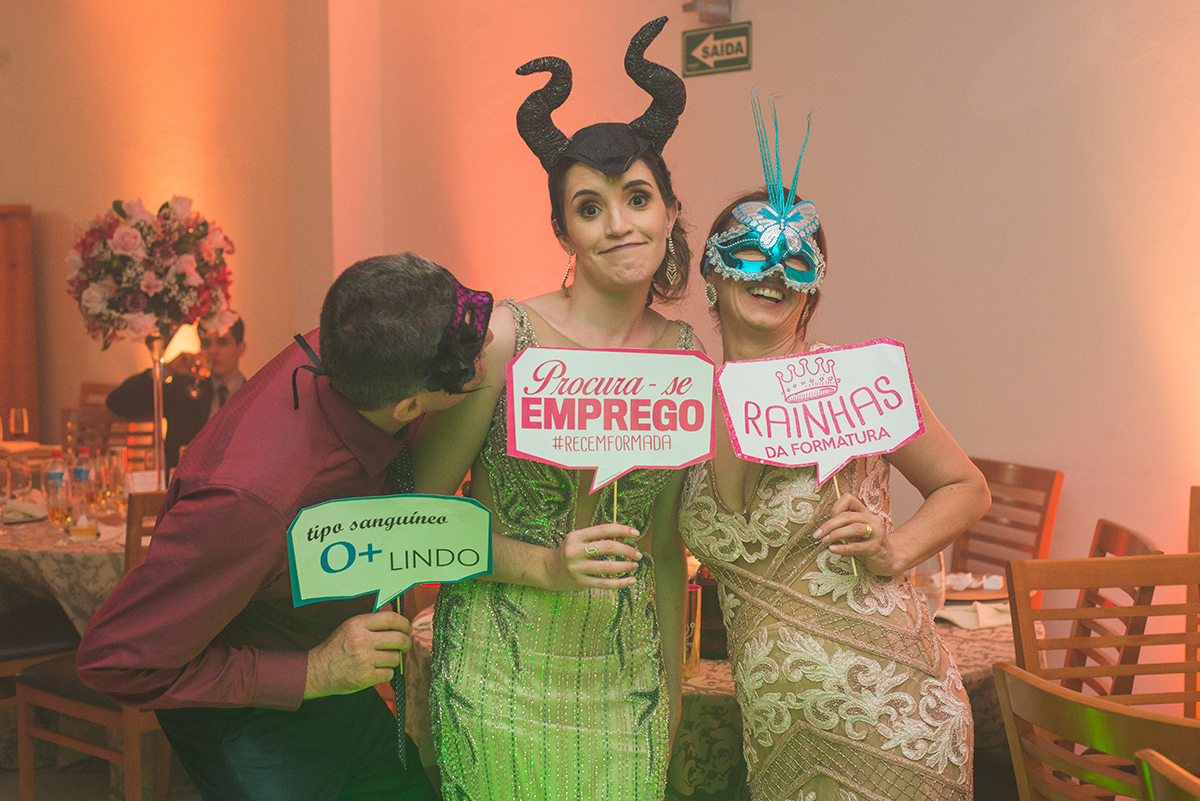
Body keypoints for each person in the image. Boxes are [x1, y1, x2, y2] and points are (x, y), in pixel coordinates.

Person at [77, 253, 494, 801]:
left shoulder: (360, 340)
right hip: (250, 714)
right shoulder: (250, 502)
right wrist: (313, 672)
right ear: (410, 405)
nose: (487, 357)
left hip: (335, 665)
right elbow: (112, 660)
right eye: (470, 365)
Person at [412, 17, 694, 800]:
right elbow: (423, 514)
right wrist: (545, 564)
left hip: (625, 685)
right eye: (589, 208)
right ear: (562, 230)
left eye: (636, 198)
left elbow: (665, 549)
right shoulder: (505, 339)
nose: (618, 225)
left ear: (669, 211)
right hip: (498, 679)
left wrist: (669, 696)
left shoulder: (684, 361)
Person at [677, 99, 991, 801]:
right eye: (751, 252)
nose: (773, 271)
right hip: (780, 730)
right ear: (712, 274)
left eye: (795, 259)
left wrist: (895, 547)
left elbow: (966, 487)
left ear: (812, 284)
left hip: (896, 714)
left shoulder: (854, 380)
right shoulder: (685, 403)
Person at [105, 316, 248, 470]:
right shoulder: (183, 389)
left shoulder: (256, 397)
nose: (213, 350)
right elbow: (119, 403)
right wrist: (167, 369)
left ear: (241, 349)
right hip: (185, 485)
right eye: (206, 344)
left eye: (222, 342)